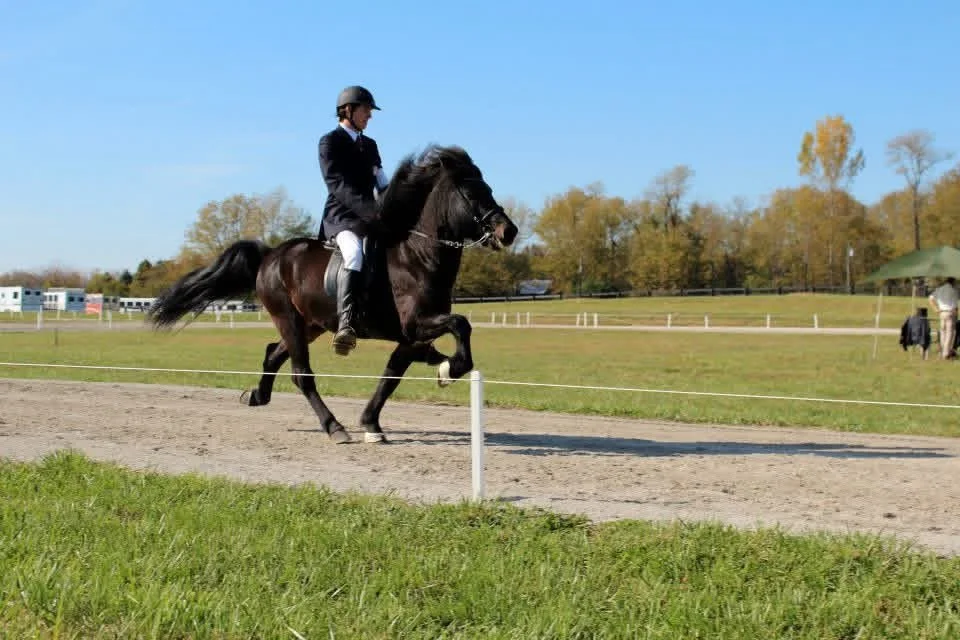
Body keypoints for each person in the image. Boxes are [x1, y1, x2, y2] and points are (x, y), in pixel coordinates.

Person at [317, 85, 390, 356]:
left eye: (370, 111)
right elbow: (336, 185)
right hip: (341, 217)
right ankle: (346, 324)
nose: (369, 116)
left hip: (370, 217)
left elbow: (382, 181)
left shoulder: (370, 145)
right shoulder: (330, 142)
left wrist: (394, 202)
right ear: (348, 110)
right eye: (366, 110)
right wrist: (370, 210)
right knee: (354, 255)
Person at [927, 276, 959, 359]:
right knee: (949, 334)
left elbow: (930, 299)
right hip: (950, 312)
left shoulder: (939, 289)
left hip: (941, 313)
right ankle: (946, 353)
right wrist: (956, 314)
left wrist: (936, 309)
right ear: (953, 282)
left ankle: (942, 351)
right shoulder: (953, 291)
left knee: (943, 333)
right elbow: (955, 306)